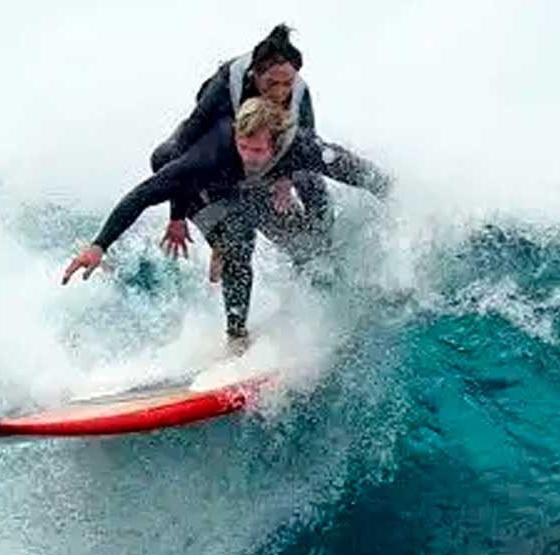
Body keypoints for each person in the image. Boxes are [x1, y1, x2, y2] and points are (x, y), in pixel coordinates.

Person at [62, 97, 390, 352]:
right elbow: (144, 194)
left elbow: (353, 169)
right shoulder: (210, 154)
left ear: (276, 143)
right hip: (202, 188)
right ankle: (236, 335)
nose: (249, 154)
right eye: (243, 146)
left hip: (247, 188)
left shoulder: (299, 146)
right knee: (238, 242)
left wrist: (395, 194)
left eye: (258, 149)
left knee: (305, 241)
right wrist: (99, 244)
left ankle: (303, 301)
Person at [151, 24, 330, 276]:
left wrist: (285, 179)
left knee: (312, 181)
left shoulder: (297, 90)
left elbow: (308, 144)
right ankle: (220, 243)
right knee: (168, 159)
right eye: (271, 83)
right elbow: (184, 147)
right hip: (228, 153)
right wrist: (176, 215)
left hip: (272, 151)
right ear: (255, 74)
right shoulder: (225, 88)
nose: (279, 92)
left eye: (286, 83)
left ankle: (321, 259)